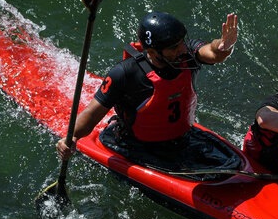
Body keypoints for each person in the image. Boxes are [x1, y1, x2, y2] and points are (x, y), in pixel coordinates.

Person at [56, 11, 238, 171]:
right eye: (174, 47)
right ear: (152, 51)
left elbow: (214, 53)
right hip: (138, 147)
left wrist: (224, 46)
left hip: (182, 141)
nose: (182, 49)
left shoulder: (187, 55)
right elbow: (92, 114)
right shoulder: (125, 73)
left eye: (182, 42)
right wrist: (71, 137)